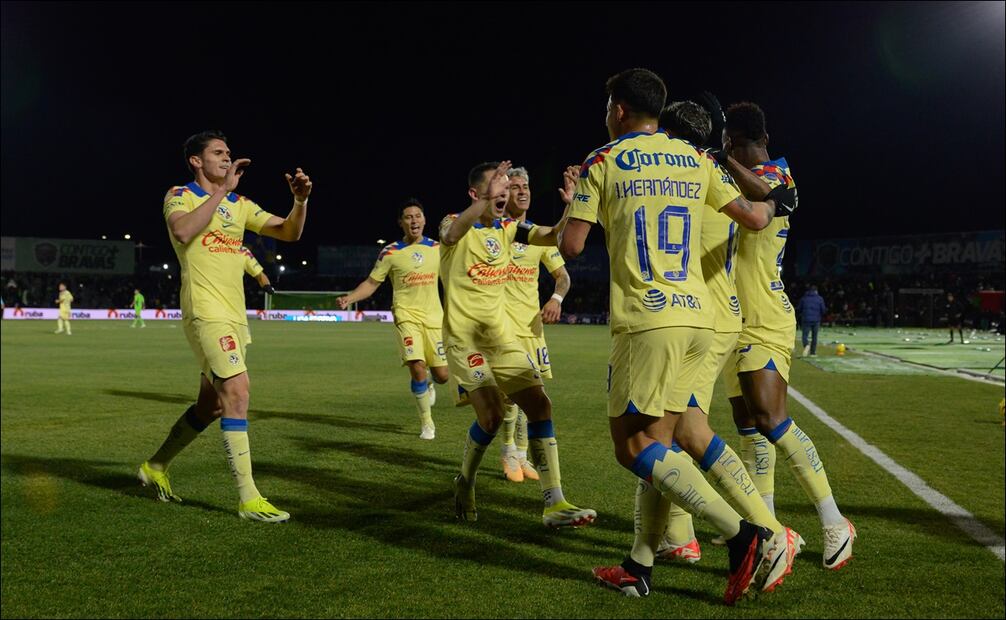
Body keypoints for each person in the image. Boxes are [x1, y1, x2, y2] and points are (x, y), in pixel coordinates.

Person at [559, 68, 790, 604]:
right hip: (698, 317)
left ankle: (743, 535)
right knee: (671, 436)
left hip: (647, 318)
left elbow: (571, 246)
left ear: (618, 109)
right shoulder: (700, 159)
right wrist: (782, 194)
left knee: (634, 446)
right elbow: (756, 218)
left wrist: (577, 200)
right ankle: (640, 564)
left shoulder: (604, 159)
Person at [648, 99, 801, 595]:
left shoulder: (696, 173)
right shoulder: (713, 173)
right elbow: (760, 213)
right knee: (667, 433)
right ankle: (673, 541)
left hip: (700, 318)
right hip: (713, 318)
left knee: (668, 435)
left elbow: (764, 212)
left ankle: (767, 533)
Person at [137, 129, 312, 523]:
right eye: (218, 153)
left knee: (212, 404)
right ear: (196, 161)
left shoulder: (241, 204)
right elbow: (182, 231)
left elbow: (290, 232)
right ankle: (248, 498)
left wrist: (300, 201)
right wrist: (220, 192)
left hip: (235, 315)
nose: (226, 158)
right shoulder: (179, 195)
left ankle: (155, 467)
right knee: (237, 391)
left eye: (228, 153)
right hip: (204, 310)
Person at [717, 102, 856, 569]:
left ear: (747, 142)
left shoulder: (780, 174)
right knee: (748, 427)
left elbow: (764, 195)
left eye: (736, 145)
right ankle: (768, 525)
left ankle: (834, 519)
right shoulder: (732, 178)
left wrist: (723, 160)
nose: (733, 152)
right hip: (734, 320)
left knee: (772, 419)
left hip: (767, 317)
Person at [442, 159, 595, 528]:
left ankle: (554, 503)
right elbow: (451, 234)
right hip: (466, 340)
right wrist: (485, 198)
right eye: (499, 186)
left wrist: (572, 204)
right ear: (476, 193)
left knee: (540, 405)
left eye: (508, 186)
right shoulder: (454, 223)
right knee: (492, 416)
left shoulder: (510, 229)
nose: (506, 192)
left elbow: (552, 236)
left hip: (502, 337)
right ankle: (465, 480)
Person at [337, 199, 448, 439]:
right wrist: (350, 297)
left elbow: (453, 279)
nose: (414, 220)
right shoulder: (390, 252)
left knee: (443, 376)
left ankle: (430, 381)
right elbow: (371, 283)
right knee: (416, 367)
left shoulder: (438, 249)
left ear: (425, 219)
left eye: (418, 215)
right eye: (408, 217)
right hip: (405, 317)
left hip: (434, 319)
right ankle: (427, 423)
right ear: (401, 222)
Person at [499, 166, 574, 482]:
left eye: (525, 185)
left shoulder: (537, 235)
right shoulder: (493, 232)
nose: (522, 190)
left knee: (535, 395)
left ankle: (522, 454)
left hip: (531, 329)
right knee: (509, 396)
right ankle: (508, 453)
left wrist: (555, 300)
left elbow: (563, 277)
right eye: (514, 186)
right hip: (501, 328)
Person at [796, 285, 826, 355]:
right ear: (816, 291)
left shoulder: (804, 298)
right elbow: (823, 310)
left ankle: (806, 344)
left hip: (806, 319)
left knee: (805, 335)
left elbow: (799, 309)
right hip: (816, 320)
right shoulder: (820, 299)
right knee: (814, 337)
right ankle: (813, 352)